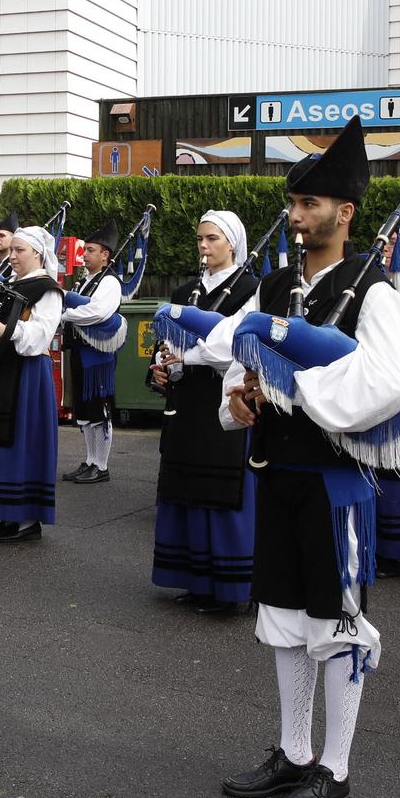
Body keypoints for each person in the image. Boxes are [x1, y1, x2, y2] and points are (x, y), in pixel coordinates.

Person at [203, 118, 400, 798]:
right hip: (280, 473)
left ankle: (336, 767)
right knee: (283, 620)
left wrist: (302, 394)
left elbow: (390, 383)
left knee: (338, 625)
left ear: (345, 211)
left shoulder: (375, 292)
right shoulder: (273, 286)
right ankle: (295, 750)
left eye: (310, 205)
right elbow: (245, 361)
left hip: (335, 485)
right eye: (292, 205)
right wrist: (240, 398)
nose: (297, 217)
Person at [149, 212, 259, 613]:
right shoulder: (184, 291)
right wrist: (162, 364)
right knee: (187, 491)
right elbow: (166, 340)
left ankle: (231, 590)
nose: (203, 246)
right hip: (186, 402)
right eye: (199, 239)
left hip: (222, 398)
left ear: (232, 243)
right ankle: (195, 580)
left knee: (219, 491)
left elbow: (231, 346)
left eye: (212, 238)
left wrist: (185, 356)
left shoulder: (249, 290)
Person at [0, 226, 63, 542]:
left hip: (28, 374)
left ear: (37, 253)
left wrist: (9, 331)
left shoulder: (48, 289)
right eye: (13, 249)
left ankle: (26, 520)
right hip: (0, 371)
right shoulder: (7, 285)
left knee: (22, 442)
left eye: (20, 250)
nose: (14, 255)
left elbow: (40, 337)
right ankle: (6, 514)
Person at [59, 219, 122, 485]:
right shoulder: (87, 282)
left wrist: (66, 314)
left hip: (98, 357)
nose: (84, 255)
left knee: (99, 410)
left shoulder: (110, 283)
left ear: (105, 255)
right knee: (84, 412)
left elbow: (97, 312)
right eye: (85, 250)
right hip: (80, 353)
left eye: (90, 250)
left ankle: (102, 465)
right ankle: (90, 460)